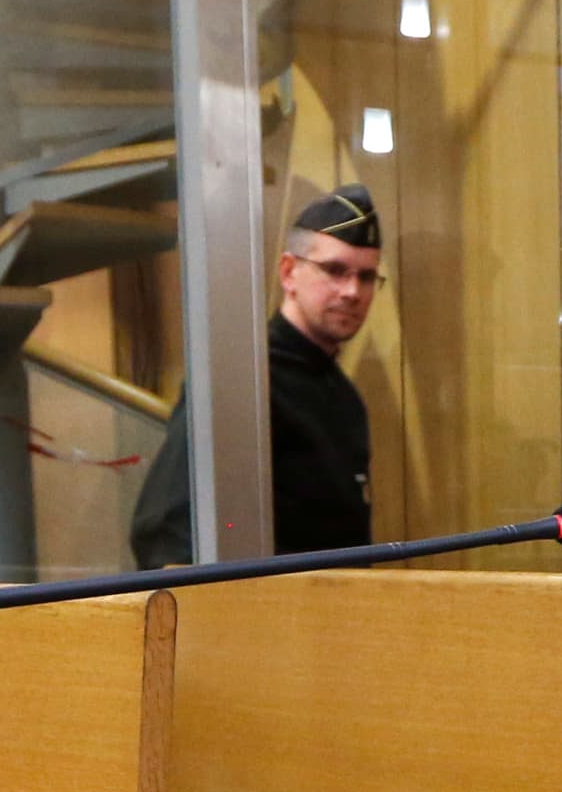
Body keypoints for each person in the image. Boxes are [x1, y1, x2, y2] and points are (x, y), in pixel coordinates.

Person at [130, 184, 381, 566]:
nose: (352, 291)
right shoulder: (245, 380)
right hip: (265, 616)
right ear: (288, 272)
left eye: (366, 277)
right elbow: (166, 532)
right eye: (334, 270)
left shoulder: (346, 398)